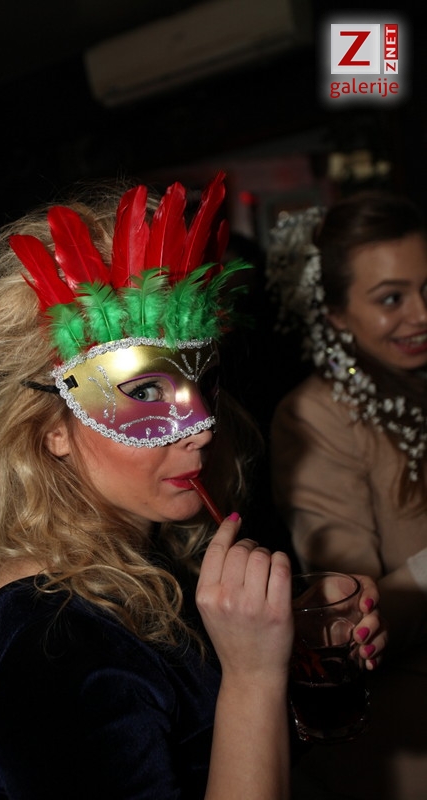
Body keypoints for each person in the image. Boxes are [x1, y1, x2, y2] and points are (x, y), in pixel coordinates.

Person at [0, 174, 384, 800]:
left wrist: (290, 652)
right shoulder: (50, 641)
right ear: (52, 429)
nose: (203, 427)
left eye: (202, 382)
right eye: (144, 391)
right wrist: (253, 676)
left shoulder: (142, 570)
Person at [267, 190, 427, 800]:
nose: (420, 314)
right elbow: (349, 615)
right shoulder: (315, 417)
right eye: (391, 298)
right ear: (335, 313)